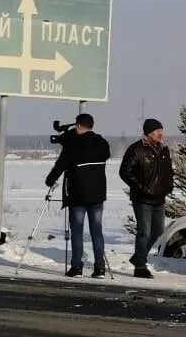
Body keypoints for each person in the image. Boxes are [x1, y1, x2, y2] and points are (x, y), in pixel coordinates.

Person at [45, 112, 112, 278]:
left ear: (79, 126)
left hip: (78, 194)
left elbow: (60, 165)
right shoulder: (101, 143)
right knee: (97, 231)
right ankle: (100, 268)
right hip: (97, 194)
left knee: (77, 231)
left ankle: (77, 266)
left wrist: (50, 180)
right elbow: (106, 155)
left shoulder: (73, 144)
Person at [119, 118, 175, 279]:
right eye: (158, 131)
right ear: (149, 133)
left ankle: (138, 257)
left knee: (158, 232)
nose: (160, 134)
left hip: (159, 198)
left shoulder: (163, 150)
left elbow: (169, 171)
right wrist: (141, 188)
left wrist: (168, 186)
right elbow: (125, 171)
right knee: (144, 232)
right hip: (142, 199)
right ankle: (140, 266)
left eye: (161, 130)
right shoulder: (136, 149)